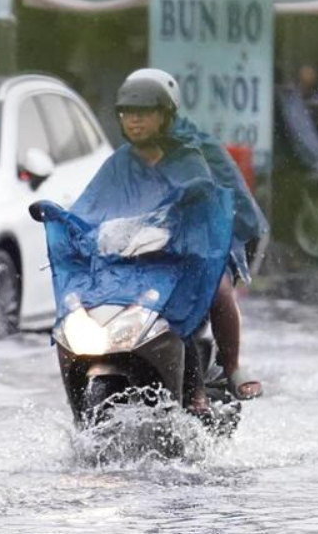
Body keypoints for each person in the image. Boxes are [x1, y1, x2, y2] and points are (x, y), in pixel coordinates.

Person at [106, 67, 265, 405]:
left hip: (206, 245)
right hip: (146, 251)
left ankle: (231, 367)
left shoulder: (196, 151)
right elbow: (97, 204)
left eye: (144, 112)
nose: (134, 121)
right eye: (127, 113)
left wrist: (212, 234)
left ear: (166, 113)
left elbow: (235, 205)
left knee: (217, 290)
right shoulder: (123, 160)